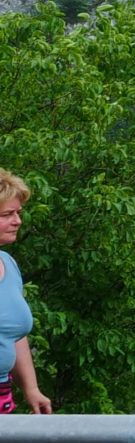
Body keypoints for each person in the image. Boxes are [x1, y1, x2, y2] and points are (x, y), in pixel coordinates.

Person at [0, 171, 52, 415]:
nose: (18, 221)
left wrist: (31, 388)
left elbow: (13, 331)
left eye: (18, 213)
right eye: (7, 214)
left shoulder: (7, 264)